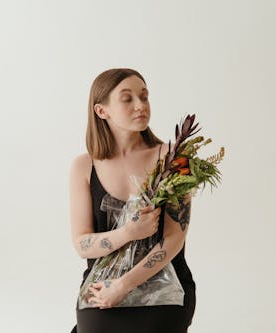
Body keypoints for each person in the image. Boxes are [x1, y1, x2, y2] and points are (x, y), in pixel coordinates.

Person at [70, 68, 196, 333]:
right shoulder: (83, 167)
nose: (141, 105)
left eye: (144, 96)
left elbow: (174, 238)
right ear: (101, 111)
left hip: (166, 287)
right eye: (127, 99)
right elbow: (82, 244)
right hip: (101, 286)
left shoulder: (175, 159)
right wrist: (129, 232)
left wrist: (123, 286)